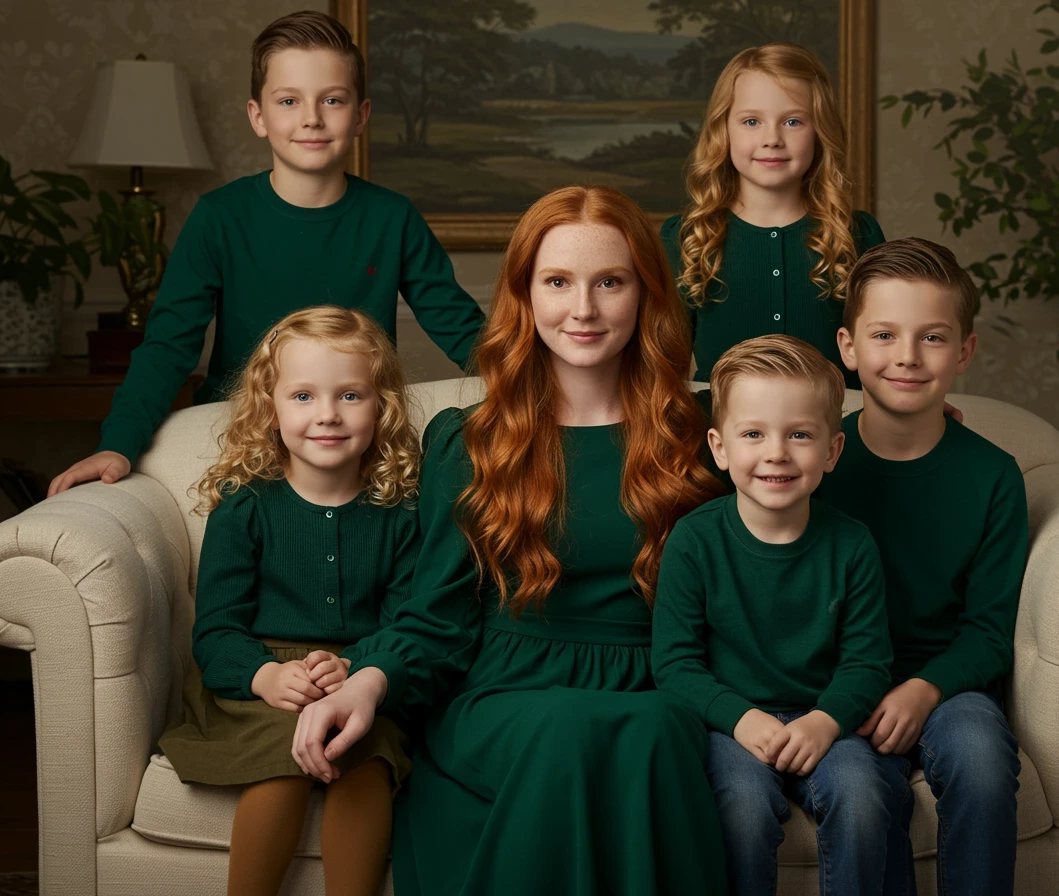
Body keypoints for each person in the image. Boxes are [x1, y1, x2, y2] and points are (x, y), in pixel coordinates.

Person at [290, 185, 730, 896]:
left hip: (654, 681)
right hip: (503, 688)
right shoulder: (468, 442)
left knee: (648, 731)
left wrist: (910, 416)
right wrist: (370, 681)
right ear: (524, 295)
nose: (582, 309)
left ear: (646, 293)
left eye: (609, 282)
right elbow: (435, 615)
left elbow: (806, 504)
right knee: (564, 730)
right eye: (557, 282)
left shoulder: (708, 435)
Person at [48, 9, 485, 496]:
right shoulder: (218, 217)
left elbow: (462, 327)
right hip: (241, 443)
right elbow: (168, 346)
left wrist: (546, 381)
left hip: (356, 444)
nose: (312, 118)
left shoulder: (393, 218)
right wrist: (119, 443)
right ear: (259, 116)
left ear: (360, 115)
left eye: (333, 100)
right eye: (289, 100)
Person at [157, 306, 419, 896]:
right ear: (269, 407)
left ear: (382, 406)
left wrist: (356, 666)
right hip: (260, 683)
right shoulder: (244, 507)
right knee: (283, 758)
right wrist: (264, 676)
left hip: (358, 672)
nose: (327, 414)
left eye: (350, 395)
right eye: (303, 396)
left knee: (366, 755)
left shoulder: (401, 513)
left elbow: (407, 621)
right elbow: (217, 632)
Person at [821, 237, 1027, 896]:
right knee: (856, 786)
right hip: (836, 683)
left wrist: (926, 689)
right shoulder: (811, 464)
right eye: (884, 335)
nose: (907, 357)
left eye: (932, 338)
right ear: (849, 348)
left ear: (964, 351)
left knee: (982, 758)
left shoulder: (992, 475)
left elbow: (990, 629)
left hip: (947, 683)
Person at [653, 334, 895, 896]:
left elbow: (867, 663)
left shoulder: (852, 546)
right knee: (740, 808)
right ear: (719, 447)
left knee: (861, 798)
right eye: (753, 434)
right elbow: (674, 662)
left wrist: (826, 721)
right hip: (732, 725)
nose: (777, 453)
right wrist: (741, 719)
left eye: (800, 435)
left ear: (832, 451)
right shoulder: (694, 541)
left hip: (823, 721)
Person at [662, 43, 886, 386]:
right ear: (724, 130)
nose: (772, 139)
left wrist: (913, 407)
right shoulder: (685, 240)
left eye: (793, 121)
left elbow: (886, 347)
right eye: (751, 121)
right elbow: (665, 370)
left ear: (820, 131)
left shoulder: (859, 235)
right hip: (721, 433)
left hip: (838, 431)